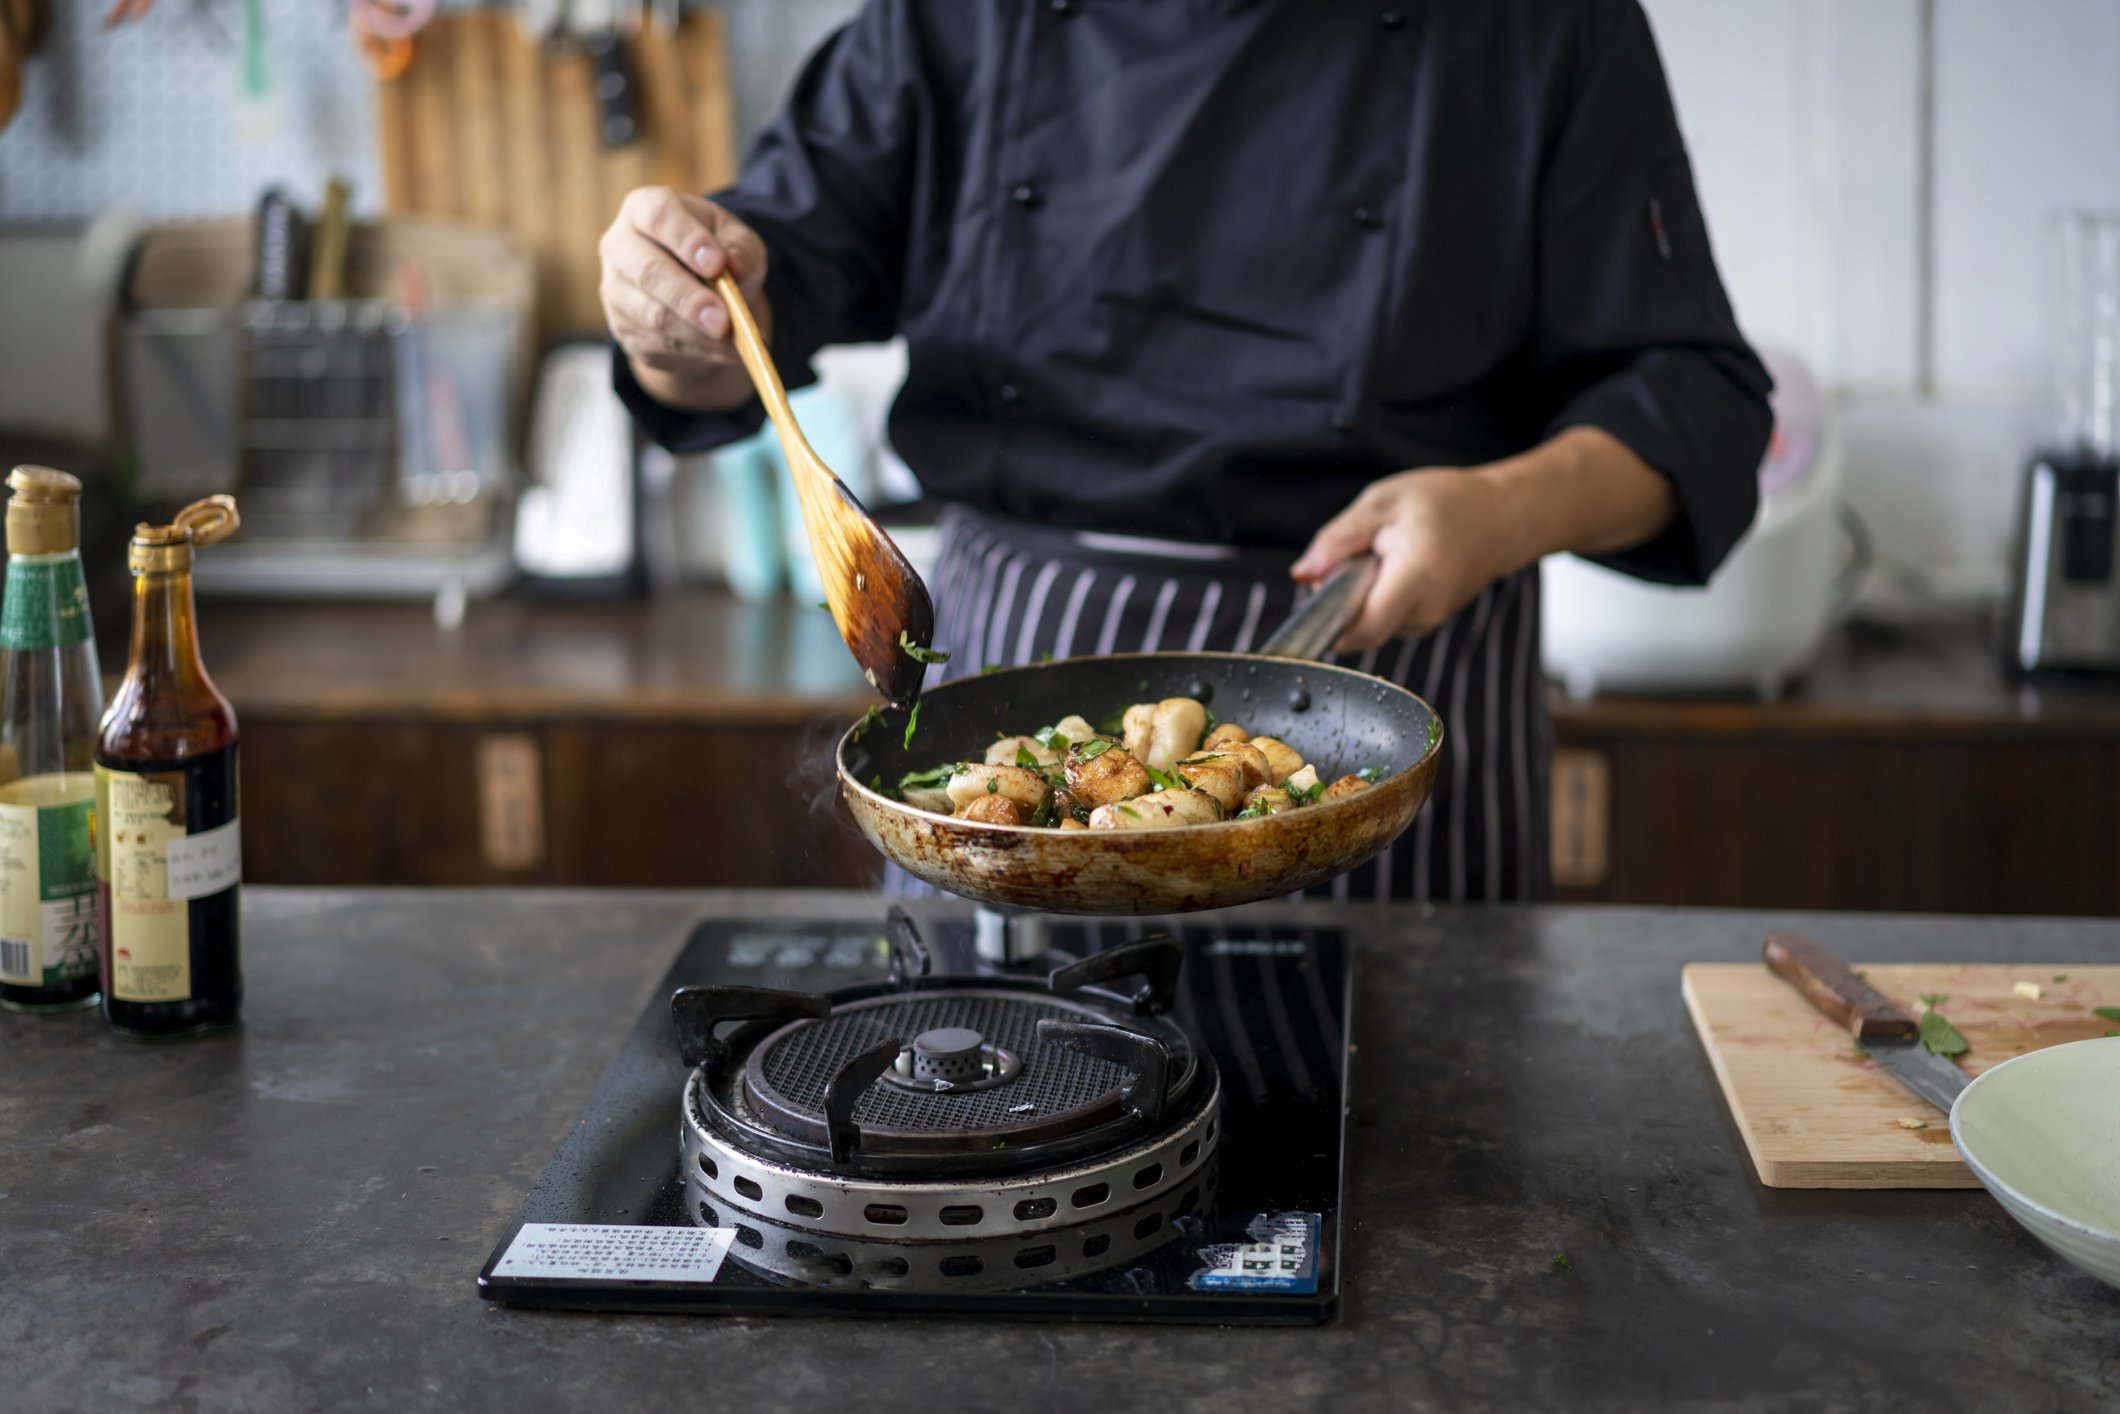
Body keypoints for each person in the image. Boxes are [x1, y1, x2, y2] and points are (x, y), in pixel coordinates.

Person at [600, 0, 1772, 902]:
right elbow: (743, 307)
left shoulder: (1536, 24)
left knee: (1419, 1177)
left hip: (1391, 688)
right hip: (1014, 702)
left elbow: (1696, 400)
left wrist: (1504, 511)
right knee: (995, 1134)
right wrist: (672, 316)